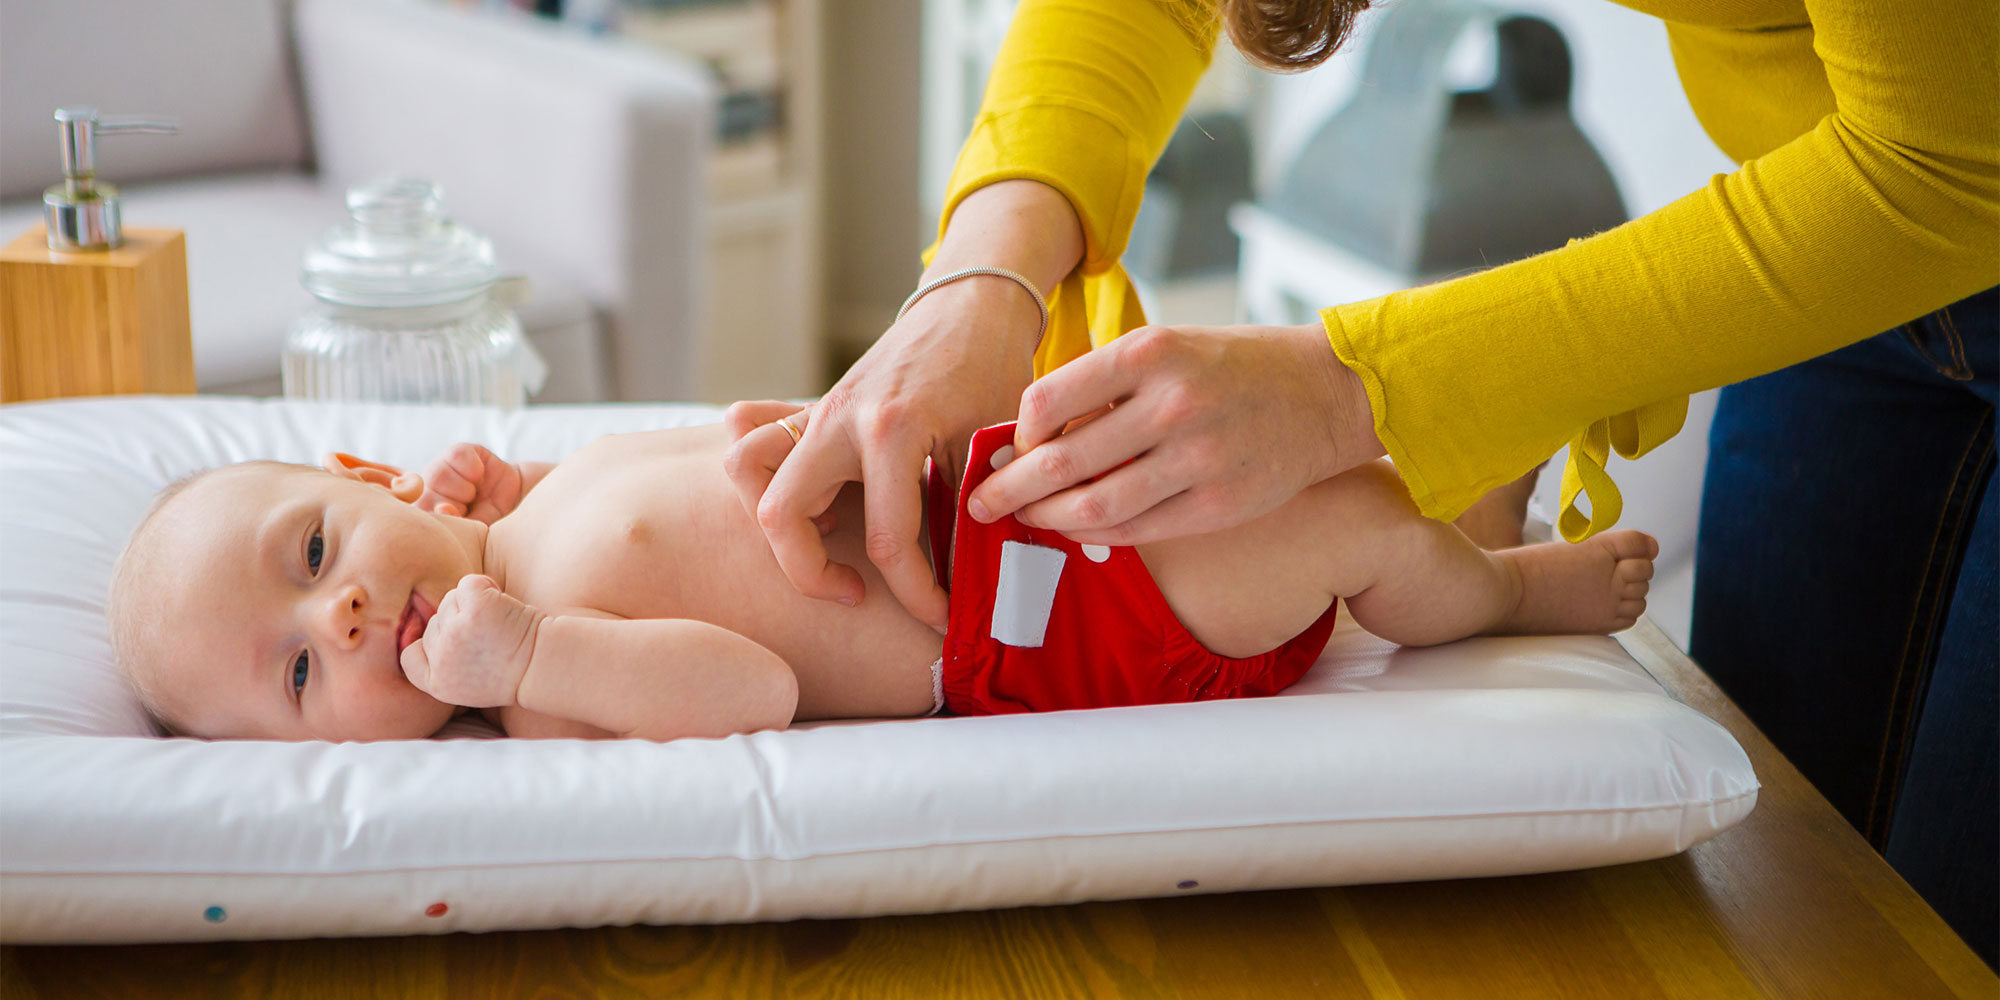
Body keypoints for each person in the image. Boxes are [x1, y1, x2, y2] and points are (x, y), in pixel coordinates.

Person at [725, 0, 1996, 965]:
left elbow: (1951, 160)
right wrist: (986, 265)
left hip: (1923, 190)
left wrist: (1357, 389)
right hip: (1851, 284)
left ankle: (1498, 566)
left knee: (1938, 918)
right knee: (1787, 905)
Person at [102, 420, 1655, 742]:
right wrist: (532, 660)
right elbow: (753, 689)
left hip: (994, 484)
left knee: (1310, 448)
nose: (347, 614)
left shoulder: (536, 502)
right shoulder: (540, 706)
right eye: (302, 671)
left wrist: (508, 496)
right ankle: (1511, 590)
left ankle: (1471, 512)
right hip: (1043, 621)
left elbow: (683, 459)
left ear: (371, 480)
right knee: (1353, 536)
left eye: (315, 555)